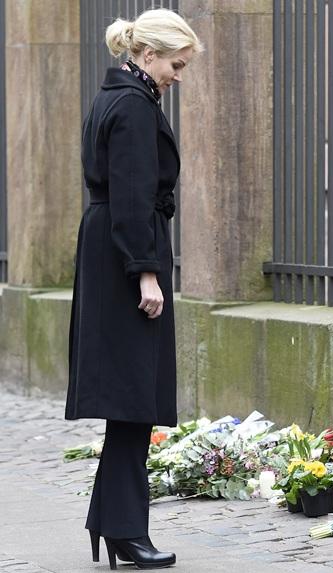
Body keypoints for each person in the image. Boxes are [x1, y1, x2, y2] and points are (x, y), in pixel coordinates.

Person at [65, 8, 203, 570]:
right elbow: (130, 194)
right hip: (126, 257)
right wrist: (145, 271)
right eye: (176, 64)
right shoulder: (134, 107)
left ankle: (111, 521)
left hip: (110, 252)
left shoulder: (114, 98)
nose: (178, 75)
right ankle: (124, 529)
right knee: (133, 398)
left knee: (129, 399)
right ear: (148, 55)